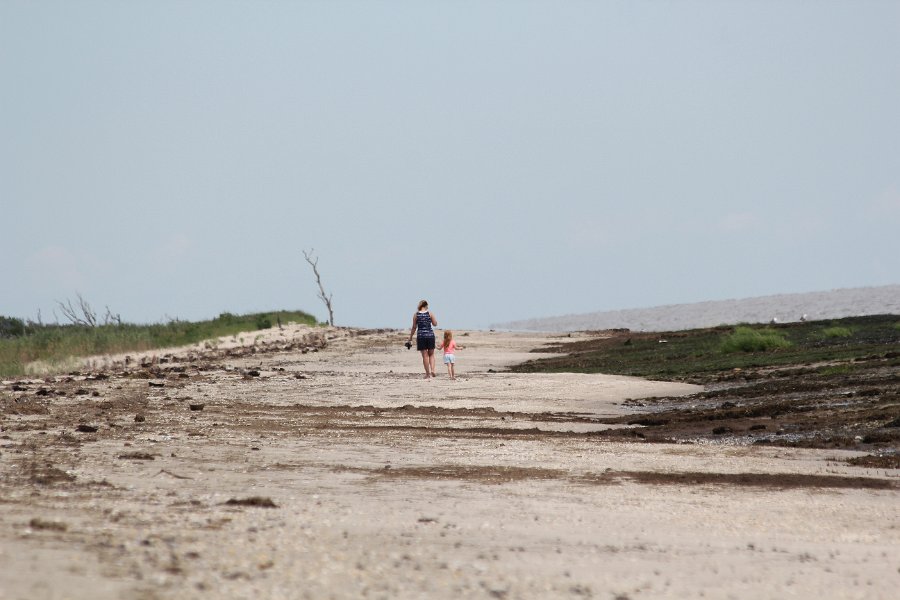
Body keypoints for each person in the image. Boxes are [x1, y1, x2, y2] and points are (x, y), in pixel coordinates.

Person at [407, 300, 438, 378]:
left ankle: (427, 374)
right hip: (430, 335)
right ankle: (433, 370)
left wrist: (410, 337)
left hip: (421, 336)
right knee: (431, 354)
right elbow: (435, 324)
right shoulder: (430, 313)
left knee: (425, 356)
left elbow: (414, 327)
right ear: (426, 305)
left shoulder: (416, 315)